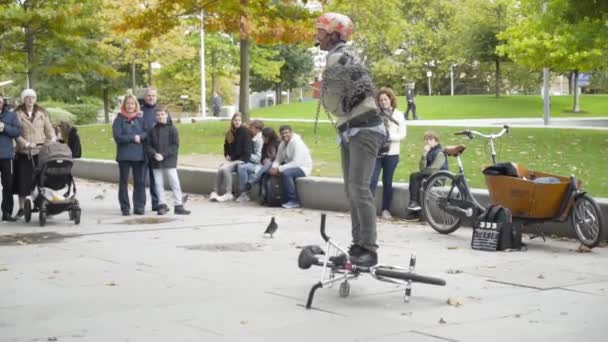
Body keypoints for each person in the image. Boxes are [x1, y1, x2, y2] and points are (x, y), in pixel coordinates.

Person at [315, 13, 385, 266]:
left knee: (358, 189)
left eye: (321, 31)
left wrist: (323, 94)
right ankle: (358, 247)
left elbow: (333, 103)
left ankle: (369, 249)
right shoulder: (344, 57)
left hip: (363, 129)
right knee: (352, 190)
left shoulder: (336, 58)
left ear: (334, 33)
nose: (317, 36)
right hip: (355, 129)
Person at [13, 89, 56, 218]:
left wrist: (52, 140)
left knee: (43, 181)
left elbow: (49, 130)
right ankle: (21, 208)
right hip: (24, 152)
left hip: (40, 152)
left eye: (33, 97)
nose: (30, 99)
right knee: (23, 181)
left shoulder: (42, 113)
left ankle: (45, 206)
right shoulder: (17, 114)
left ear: (35, 99)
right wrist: (25, 143)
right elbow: (15, 133)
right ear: (23, 99)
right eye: (27, 97)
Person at [145, 106, 190, 215]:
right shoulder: (152, 130)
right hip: (156, 160)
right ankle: (162, 205)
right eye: (158, 115)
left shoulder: (172, 129)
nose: (160, 116)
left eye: (162, 114)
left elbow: (175, 145)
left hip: (169, 160)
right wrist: (154, 154)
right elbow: (147, 145)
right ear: (155, 117)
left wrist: (163, 155)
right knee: (158, 183)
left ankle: (178, 205)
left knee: (174, 182)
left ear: (166, 115)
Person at [370, 87, 406, 220]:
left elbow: (402, 134)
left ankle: (385, 210)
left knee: (387, 181)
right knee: (372, 180)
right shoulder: (376, 115)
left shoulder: (398, 115)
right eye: (380, 100)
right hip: (378, 153)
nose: (383, 102)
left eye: (385, 99)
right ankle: (368, 209)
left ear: (390, 99)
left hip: (392, 153)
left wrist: (388, 136)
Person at [113, 94, 148, 216]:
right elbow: (118, 137)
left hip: (139, 155)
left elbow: (146, 133)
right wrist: (133, 137)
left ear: (136, 105)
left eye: (132, 104)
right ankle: (125, 207)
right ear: (124, 105)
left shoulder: (140, 119)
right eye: (128, 103)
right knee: (124, 182)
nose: (130, 106)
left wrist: (141, 137)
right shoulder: (118, 120)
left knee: (140, 181)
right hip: (124, 155)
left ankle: (139, 207)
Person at [404, 131, 448, 221]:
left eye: (430, 139)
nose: (428, 141)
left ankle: (415, 211)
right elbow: (422, 168)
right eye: (427, 139)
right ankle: (414, 208)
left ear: (436, 141)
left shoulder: (440, 153)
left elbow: (432, 170)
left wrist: (423, 172)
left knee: (416, 178)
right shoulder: (429, 152)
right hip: (429, 176)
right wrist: (424, 155)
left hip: (437, 179)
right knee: (415, 178)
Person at [209, 113, 252, 202]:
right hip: (232, 159)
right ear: (232, 121)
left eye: (239, 120)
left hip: (241, 160)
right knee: (221, 168)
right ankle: (215, 192)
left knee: (225, 169)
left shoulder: (245, 132)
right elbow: (226, 146)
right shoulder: (230, 133)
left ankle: (229, 193)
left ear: (242, 122)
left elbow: (248, 150)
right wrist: (227, 155)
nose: (237, 122)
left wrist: (242, 160)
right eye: (235, 120)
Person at [141, 87, 171, 212]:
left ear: (156, 97)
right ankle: (140, 205)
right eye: (149, 95)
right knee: (141, 179)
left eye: (153, 95)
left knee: (156, 179)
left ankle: (157, 203)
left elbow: (169, 130)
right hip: (142, 149)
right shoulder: (140, 112)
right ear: (145, 97)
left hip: (156, 151)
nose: (151, 97)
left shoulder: (161, 111)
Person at [269, 125, 312, 209]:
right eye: (282, 133)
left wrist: (279, 169)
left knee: (286, 173)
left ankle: (294, 200)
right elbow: (278, 159)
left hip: (303, 167)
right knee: (271, 171)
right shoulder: (282, 144)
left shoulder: (297, 143)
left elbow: (297, 163)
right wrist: (274, 167)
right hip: (291, 166)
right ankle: (279, 198)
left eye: (286, 133)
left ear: (291, 133)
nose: (284, 135)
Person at [0, 94, 21, 221]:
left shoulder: (11, 115)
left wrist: (5, 127)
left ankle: (7, 213)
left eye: (0, 101)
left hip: (6, 156)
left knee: (7, 185)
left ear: (3, 102)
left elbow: (17, 132)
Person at [235, 120, 264, 202]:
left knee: (242, 167)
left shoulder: (259, 140)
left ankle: (244, 194)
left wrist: (246, 154)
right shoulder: (253, 137)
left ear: (258, 130)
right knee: (240, 165)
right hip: (252, 163)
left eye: (251, 128)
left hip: (259, 165)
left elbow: (258, 159)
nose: (249, 129)